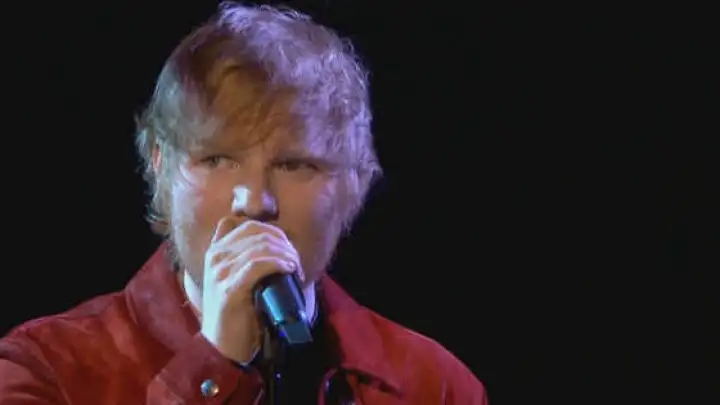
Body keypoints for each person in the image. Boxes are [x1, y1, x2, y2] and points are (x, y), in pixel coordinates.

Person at [0, 3, 487, 404]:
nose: (254, 202)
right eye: (217, 160)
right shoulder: (43, 368)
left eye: (295, 165)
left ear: (353, 186)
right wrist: (212, 365)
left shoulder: (436, 388)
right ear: (159, 168)